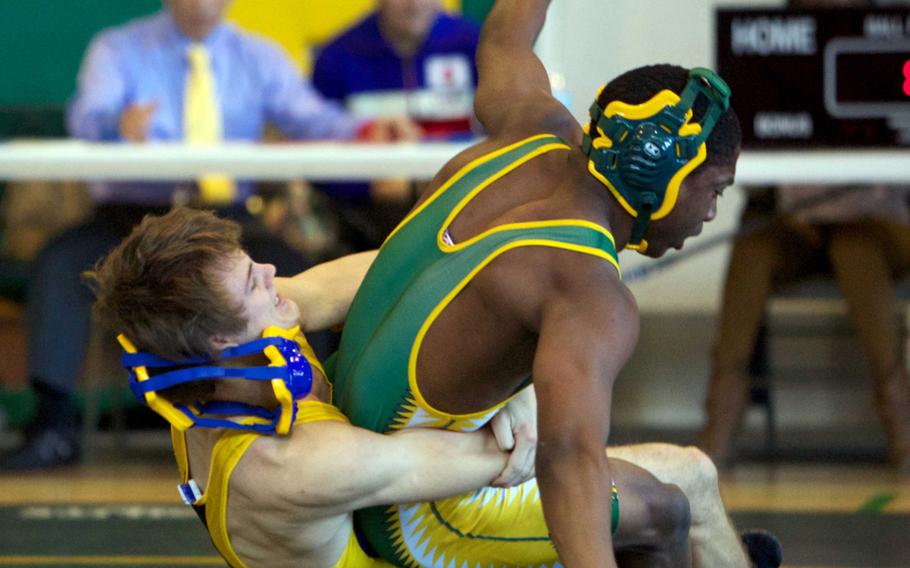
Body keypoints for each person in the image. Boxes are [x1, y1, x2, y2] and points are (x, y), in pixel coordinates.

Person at [87, 207, 759, 568]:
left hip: (388, 503)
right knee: (673, 500)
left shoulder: (228, 345)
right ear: (221, 343)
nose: (273, 272)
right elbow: (520, 460)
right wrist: (521, 372)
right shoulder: (290, 464)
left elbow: (412, 273)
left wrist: (515, 366)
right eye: (254, 282)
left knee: (686, 479)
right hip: (412, 535)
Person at [325, 0, 745, 565]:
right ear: (662, 179)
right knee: (666, 513)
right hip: (410, 514)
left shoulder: (531, 126)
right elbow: (568, 459)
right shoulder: (586, 288)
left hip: (360, 445)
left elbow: (505, 35)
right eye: (714, 190)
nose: (713, 213)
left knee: (670, 492)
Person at [0, 0, 413, 470]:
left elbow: (312, 119)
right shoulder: (118, 48)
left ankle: (314, 409)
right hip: (134, 224)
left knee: (291, 264)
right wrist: (116, 125)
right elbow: (87, 116)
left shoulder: (259, 55)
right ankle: (53, 425)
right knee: (60, 263)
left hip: (223, 225)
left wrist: (367, 131)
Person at [696, 0, 910, 472]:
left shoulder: (889, 37)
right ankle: (720, 422)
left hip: (880, 224)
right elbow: (751, 167)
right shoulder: (778, 54)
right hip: (798, 226)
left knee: (854, 246)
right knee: (752, 248)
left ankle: (901, 421)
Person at [311, 0, 481, 251]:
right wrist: (370, 185)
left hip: (465, 206)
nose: (415, 5)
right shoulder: (337, 56)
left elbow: (503, 134)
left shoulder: (476, 45)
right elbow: (317, 159)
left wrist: (431, 182)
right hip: (367, 223)